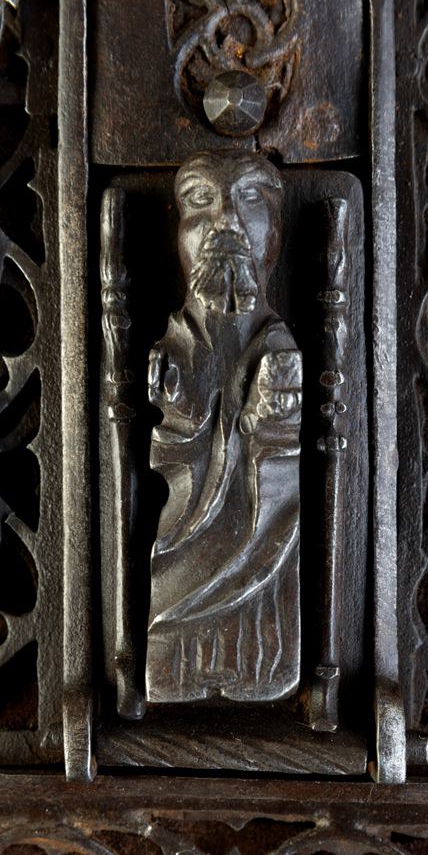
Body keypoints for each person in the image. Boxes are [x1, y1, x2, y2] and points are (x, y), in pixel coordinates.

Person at [146, 151, 302, 703]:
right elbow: (177, 433)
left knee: (265, 565)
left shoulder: (276, 340)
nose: (227, 219)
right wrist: (174, 392)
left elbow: (279, 449)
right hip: (187, 523)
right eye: (201, 200)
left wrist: (273, 413)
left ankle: (260, 667)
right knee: (176, 587)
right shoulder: (179, 338)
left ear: (276, 230)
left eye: (250, 198)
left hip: (261, 521)